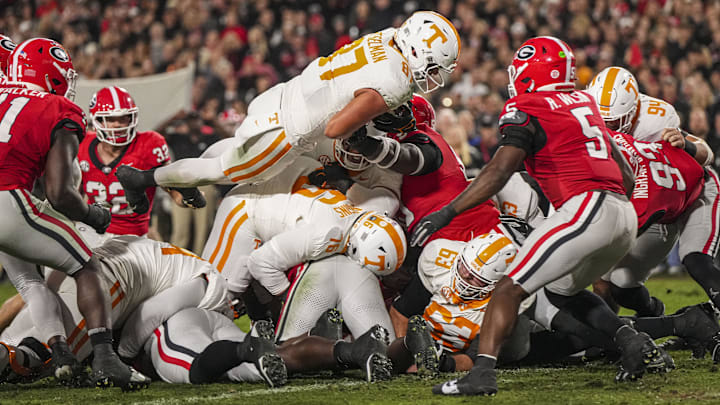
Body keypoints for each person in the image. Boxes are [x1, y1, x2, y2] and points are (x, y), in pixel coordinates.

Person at [411, 37, 666, 396]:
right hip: (622, 214)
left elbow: (499, 172)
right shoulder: (585, 102)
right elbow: (625, 174)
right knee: (564, 291)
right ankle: (631, 340)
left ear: (531, 72)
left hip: (586, 208)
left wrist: (446, 213)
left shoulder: (527, 104)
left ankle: (481, 373)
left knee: (508, 287)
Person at [114, 11, 461, 215]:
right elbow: (337, 128)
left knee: (233, 150)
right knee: (223, 169)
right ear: (418, 51)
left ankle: (186, 183)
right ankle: (142, 179)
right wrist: (366, 130)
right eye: (434, 67)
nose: (432, 77)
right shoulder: (396, 81)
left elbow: (354, 83)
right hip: (289, 131)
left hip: (284, 94)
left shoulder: (387, 37)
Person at [0, 37, 149, 389]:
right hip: (7, 199)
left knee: (27, 280)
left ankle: (62, 354)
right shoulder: (58, 107)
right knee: (85, 264)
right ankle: (105, 357)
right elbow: (60, 193)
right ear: (52, 76)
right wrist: (93, 216)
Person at [0, 234, 288, 388]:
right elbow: (150, 312)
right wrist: (121, 357)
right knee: (36, 359)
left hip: (93, 264)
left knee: (15, 340)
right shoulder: (206, 281)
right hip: (111, 281)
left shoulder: (180, 261)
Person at [587, 67, 720, 315]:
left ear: (631, 112)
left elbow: (707, 155)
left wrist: (686, 145)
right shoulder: (585, 114)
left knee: (696, 260)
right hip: (654, 202)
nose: (606, 128)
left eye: (613, 123)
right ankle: (644, 321)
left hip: (691, 192)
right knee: (619, 283)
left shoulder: (656, 119)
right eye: (600, 120)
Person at [202, 155, 406, 301]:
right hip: (245, 209)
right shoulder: (327, 235)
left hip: (278, 196)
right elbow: (260, 262)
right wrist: (288, 299)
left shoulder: (365, 213)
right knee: (217, 294)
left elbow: (387, 194)